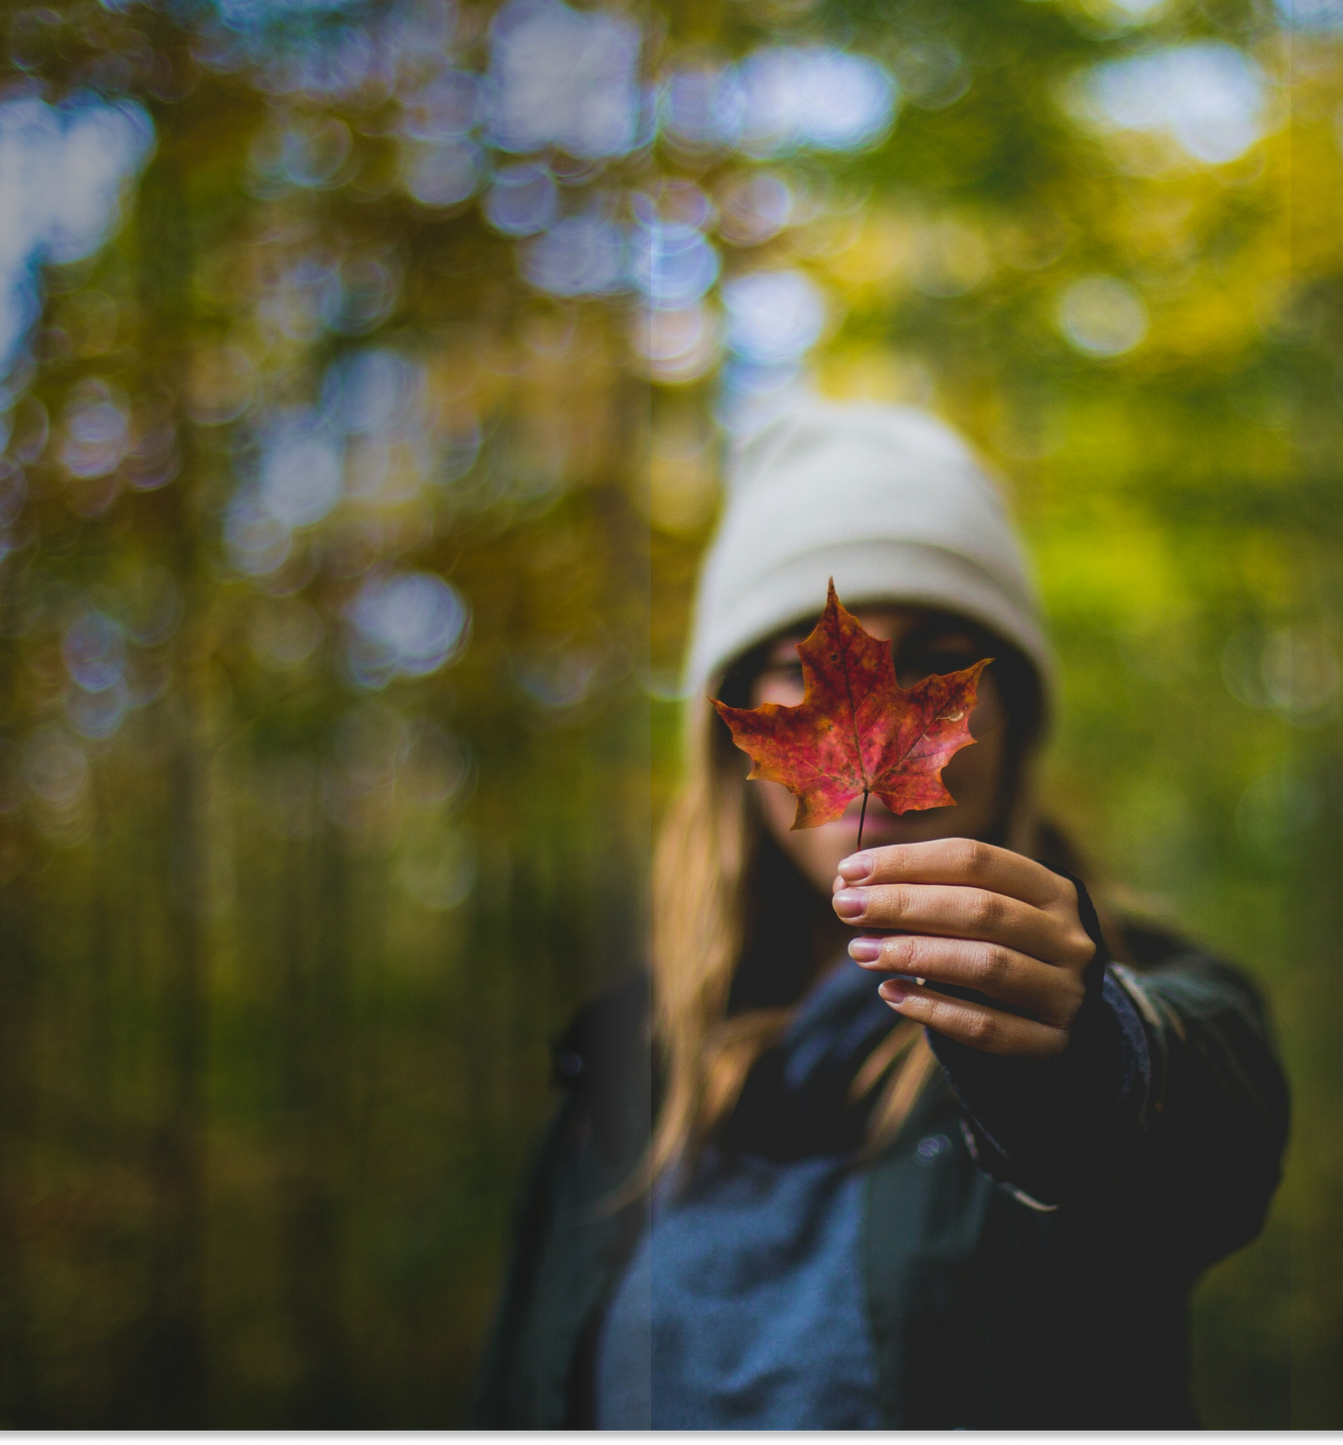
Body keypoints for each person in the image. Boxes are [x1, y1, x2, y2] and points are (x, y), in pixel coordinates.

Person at [470, 401, 1289, 1431]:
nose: (875, 713)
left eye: (941, 655)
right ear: (735, 728)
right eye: (805, 662)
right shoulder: (618, 1081)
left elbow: (1212, 1131)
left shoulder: (1105, 989)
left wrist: (1086, 1054)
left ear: (1013, 724)